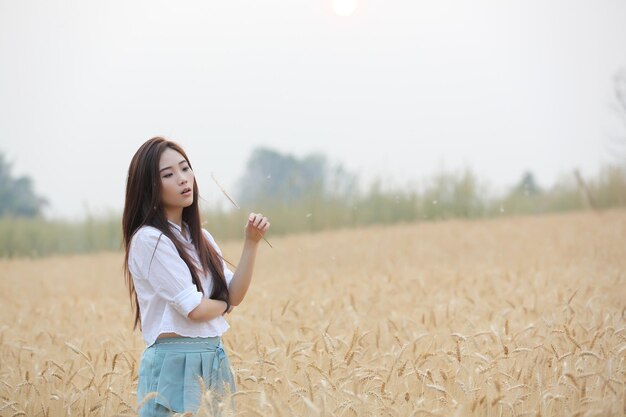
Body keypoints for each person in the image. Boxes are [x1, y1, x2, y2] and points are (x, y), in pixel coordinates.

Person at [122, 137, 270, 416]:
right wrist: (225, 306)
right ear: (149, 186)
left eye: (185, 168)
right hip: (173, 363)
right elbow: (195, 309)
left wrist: (251, 243)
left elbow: (234, 292)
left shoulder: (200, 237)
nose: (182, 179)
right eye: (168, 174)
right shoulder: (149, 240)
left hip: (213, 357)